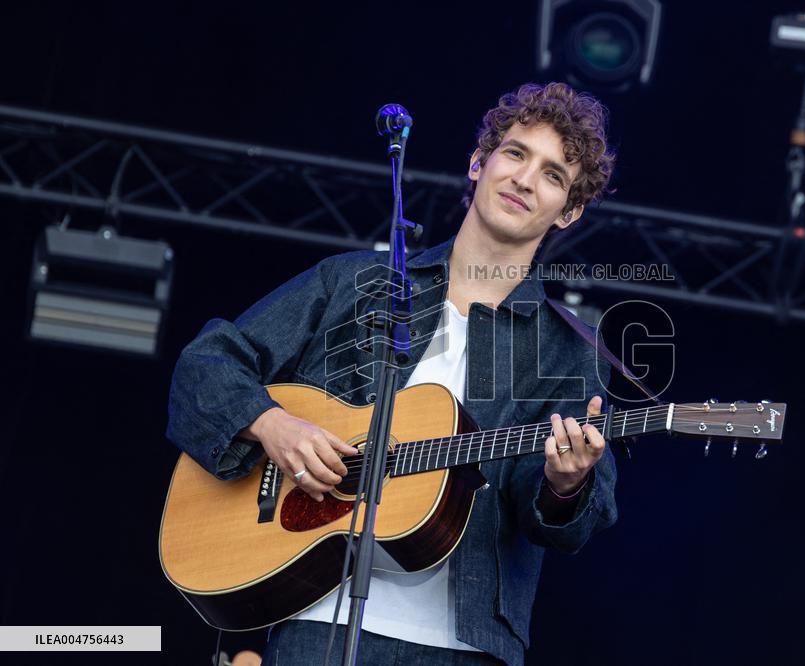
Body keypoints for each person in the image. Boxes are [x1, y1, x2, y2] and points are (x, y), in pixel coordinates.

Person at [167, 81, 618, 666]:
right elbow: (206, 364)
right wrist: (274, 426)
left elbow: (574, 522)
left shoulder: (568, 353)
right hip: (313, 622)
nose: (526, 179)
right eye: (514, 153)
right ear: (478, 162)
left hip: (463, 647)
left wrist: (566, 484)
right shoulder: (351, 282)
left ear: (570, 211)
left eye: (554, 175)